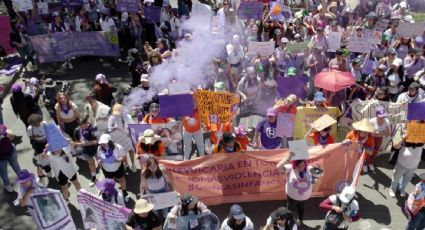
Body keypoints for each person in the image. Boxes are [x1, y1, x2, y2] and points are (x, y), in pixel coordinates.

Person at [276, 151, 318, 226]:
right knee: (290, 210)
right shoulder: (290, 168)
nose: (301, 168)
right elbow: (278, 167)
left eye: (303, 165)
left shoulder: (310, 168)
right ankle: (290, 222)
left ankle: (300, 221)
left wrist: (316, 178)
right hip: (292, 197)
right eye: (298, 166)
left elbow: (315, 179)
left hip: (304, 197)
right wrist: (288, 157)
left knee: (301, 209)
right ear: (294, 165)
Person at [389, 122, 424, 198]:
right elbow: (395, 146)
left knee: (407, 180)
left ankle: (402, 189)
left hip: (413, 165)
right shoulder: (405, 138)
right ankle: (392, 189)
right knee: (396, 178)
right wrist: (404, 137)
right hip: (401, 164)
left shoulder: (422, 139)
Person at [97, 134, 129, 201]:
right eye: (102, 143)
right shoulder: (99, 148)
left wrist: (118, 160)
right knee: (110, 182)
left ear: (110, 141)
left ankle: (124, 192)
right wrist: (99, 161)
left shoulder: (118, 147)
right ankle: (112, 194)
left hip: (118, 168)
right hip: (106, 169)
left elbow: (123, 157)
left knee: (121, 180)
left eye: (104, 143)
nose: (103, 144)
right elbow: (98, 157)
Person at [108, 104, 137, 172]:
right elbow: (109, 129)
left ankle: (133, 164)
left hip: (127, 136)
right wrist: (113, 129)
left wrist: (131, 133)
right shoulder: (112, 118)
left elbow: (132, 125)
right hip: (117, 138)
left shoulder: (127, 116)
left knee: (130, 150)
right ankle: (126, 164)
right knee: (122, 151)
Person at [72, 118, 98, 186]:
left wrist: (84, 143)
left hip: (96, 148)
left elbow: (96, 141)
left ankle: (107, 176)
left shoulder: (92, 128)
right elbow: (77, 141)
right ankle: (94, 177)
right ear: (79, 125)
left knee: (101, 162)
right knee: (91, 163)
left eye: (86, 123)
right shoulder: (76, 130)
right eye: (83, 124)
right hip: (85, 150)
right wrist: (81, 144)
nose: (85, 125)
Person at [26, 114, 51, 185]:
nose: (37, 124)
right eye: (35, 124)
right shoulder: (30, 129)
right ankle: (48, 171)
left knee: (53, 155)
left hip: (48, 141)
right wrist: (36, 136)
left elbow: (49, 131)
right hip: (39, 144)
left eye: (38, 123)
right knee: (44, 159)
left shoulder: (44, 123)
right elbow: (30, 137)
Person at [367, 106, 391, 173]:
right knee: (368, 151)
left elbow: (389, 133)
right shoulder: (371, 121)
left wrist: (383, 133)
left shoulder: (386, 121)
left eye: (383, 116)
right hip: (370, 138)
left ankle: (370, 163)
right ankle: (365, 163)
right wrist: (373, 133)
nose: (382, 118)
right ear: (376, 115)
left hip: (379, 139)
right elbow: (366, 131)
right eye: (380, 116)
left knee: (375, 151)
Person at [0, 124, 21, 192]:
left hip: (11, 151)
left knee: (16, 166)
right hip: (1, 158)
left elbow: (12, 136)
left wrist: (7, 133)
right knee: (3, 172)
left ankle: (23, 178)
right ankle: (7, 185)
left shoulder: (1, 127)